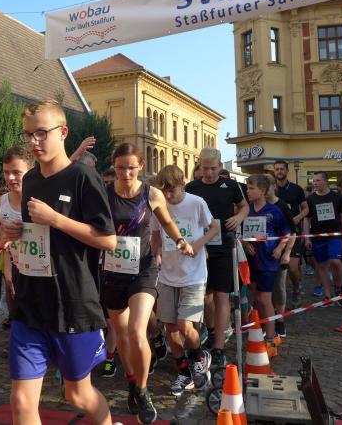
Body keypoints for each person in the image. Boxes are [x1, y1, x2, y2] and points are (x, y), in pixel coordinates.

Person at [7, 100, 117, 425]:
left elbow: (108, 240)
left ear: (63, 132)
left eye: (41, 133)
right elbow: (39, 232)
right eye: (28, 134)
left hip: (72, 303)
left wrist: (56, 219)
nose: (33, 141)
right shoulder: (30, 179)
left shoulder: (83, 176)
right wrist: (19, 230)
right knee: (21, 401)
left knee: (78, 395)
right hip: (30, 302)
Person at [99, 143, 190, 423]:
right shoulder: (104, 193)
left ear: (140, 166)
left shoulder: (151, 194)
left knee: (138, 331)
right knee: (122, 335)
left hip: (143, 268)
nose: (125, 173)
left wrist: (180, 240)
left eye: (131, 167)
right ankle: (131, 381)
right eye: (120, 168)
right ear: (114, 167)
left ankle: (142, 389)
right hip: (112, 271)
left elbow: (167, 222)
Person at [152, 164, 216, 396]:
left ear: (182, 185)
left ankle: (198, 359)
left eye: (172, 190)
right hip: (168, 274)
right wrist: (156, 255)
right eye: (164, 191)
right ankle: (183, 370)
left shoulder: (196, 203)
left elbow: (214, 227)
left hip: (194, 274)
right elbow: (156, 234)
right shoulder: (159, 205)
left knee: (185, 326)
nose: (168, 195)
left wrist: (197, 245)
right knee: (170, 327)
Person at [186, 148, 248, 370]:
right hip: (199, 248)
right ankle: (210, 332)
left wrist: (238, 217)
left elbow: (244, 206)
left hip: (223, 247)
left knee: (222, 296)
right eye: (205, 168)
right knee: (204, 296)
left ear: (220, 166)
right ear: (199, 165)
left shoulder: (231, 186)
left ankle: (219, 347)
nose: (209, 173)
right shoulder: (192, 188)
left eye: (213, 168)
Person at [0, 147, 33, 330]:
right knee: (23, 328)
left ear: (31, 171)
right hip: (20, 273)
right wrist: (0, 244)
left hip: (49, 276)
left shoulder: (44, 199)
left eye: (16, 172)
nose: (10, 178)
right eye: (6, 172)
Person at [243, 174, 290, 355]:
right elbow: (240, 232)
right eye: (247, 188)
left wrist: (280, 248)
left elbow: (286, 233)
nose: (248, 191)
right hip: (251, 260)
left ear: (262, 191)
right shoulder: (246, 210)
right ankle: (265, 329)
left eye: (251, 188)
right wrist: (245, 244)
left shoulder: (274, 210)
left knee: (265, 299)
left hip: (268, 261)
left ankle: (270, 338)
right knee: (257, 297)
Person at [303, 172, 342, 306]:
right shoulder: (311, 199)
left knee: (335, 262)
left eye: (318, 180)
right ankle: (327, 295)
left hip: (334, 236)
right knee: (321, 266)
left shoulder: (337, 197)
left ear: (326, 181)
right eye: (313, 181)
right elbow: (307, 219)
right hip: (317, 237)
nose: (315, 183)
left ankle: (338, 289)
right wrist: (307, 238)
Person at [272, 161, 308, 308]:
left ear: (287, 171)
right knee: (279, 269)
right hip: (277, 233)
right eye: (277, 169)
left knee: (292, 268)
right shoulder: (271, 189)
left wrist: (298, 217)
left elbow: (306, 209)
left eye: (282, 169)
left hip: (293, 232)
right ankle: (280, 298)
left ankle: (296, 289)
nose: (279, 171)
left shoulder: (296, 189)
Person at [266, 175, 296, 338]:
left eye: (267, 187)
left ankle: (280, 321)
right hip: (262, 255)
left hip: (279, 253)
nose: (264, 190)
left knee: (279, 287)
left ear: (273, 187)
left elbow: (292, 232)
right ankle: (268, 320)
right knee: (264, 289)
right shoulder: (256, 205)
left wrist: (287, 252)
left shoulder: (282, 206)